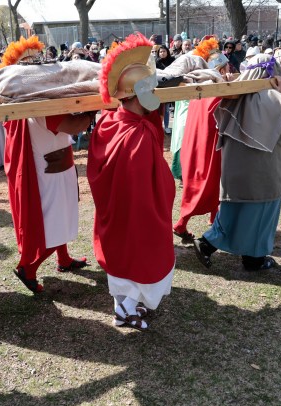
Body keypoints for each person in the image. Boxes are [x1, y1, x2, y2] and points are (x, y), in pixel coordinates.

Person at [88, 34, 175, 330]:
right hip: (136, 213)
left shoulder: (110, 121)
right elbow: (144, 182)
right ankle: (124, 311)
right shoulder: (135, 135)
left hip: (119, 213)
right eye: (150, 87)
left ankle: (125, 306)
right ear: (138, 92)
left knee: (125, 258)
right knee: (137, 256)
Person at [192, 54, 281, 271]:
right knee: (262, 216)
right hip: (265, 173)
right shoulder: (275, 98)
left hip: (235, 170)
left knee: (232, 210)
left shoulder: (235, 96)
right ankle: (254, 259)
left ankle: (207, 244)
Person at [0, 36, 89, 293]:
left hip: (55, 164)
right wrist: (94, 110)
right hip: (49, 170)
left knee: (61, 217)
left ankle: (63, 259)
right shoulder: (40, 102)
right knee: (56, 222)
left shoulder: (32, 98)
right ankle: (28, 267)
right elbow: (75, 125)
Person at [173, 39, 230, 243]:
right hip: (208, 145)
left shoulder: (201, 87)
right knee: (205, 183)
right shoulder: (213, 91)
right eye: (224, 67)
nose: (227, 70)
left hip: (199, 144)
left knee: (212, 182)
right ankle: (181, 223)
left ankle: (214, 218)